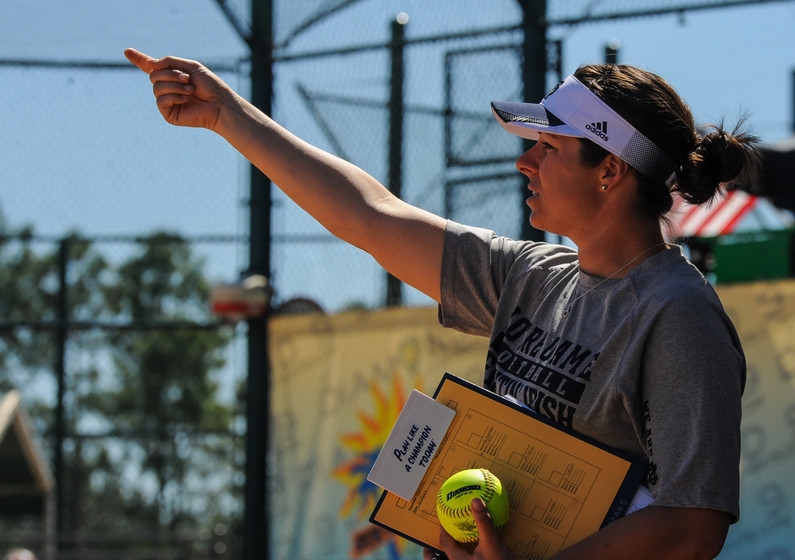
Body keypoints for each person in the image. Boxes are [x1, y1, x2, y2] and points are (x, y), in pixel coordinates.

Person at [125, 48, 759, 560]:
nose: (524, 161)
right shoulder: (533, 276)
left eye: (548, 146)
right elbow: (369, 216)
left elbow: (692, 525)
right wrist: (229, 114)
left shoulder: (680, 314)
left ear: (610, 171)